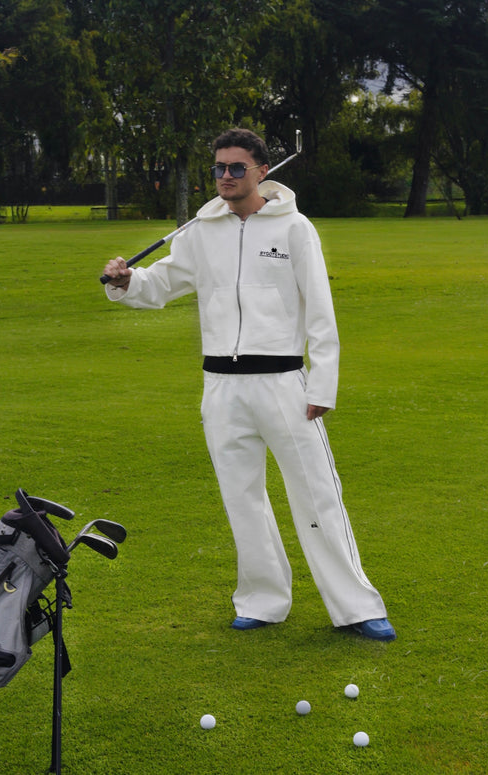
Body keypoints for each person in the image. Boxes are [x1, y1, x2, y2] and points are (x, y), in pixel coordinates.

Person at [102, 128, 396, 641]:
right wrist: (128, 281)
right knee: (242, 499)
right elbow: (162, 283)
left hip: (283, 383)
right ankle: (262, 600)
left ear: (261, 171)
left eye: (236, 168)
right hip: (221, 387)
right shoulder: (201, 230)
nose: (225, 176)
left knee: (317, 496)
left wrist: (322, 385)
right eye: (219, 168)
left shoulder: (295, 228)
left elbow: (320, 311)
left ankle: (355, 607)